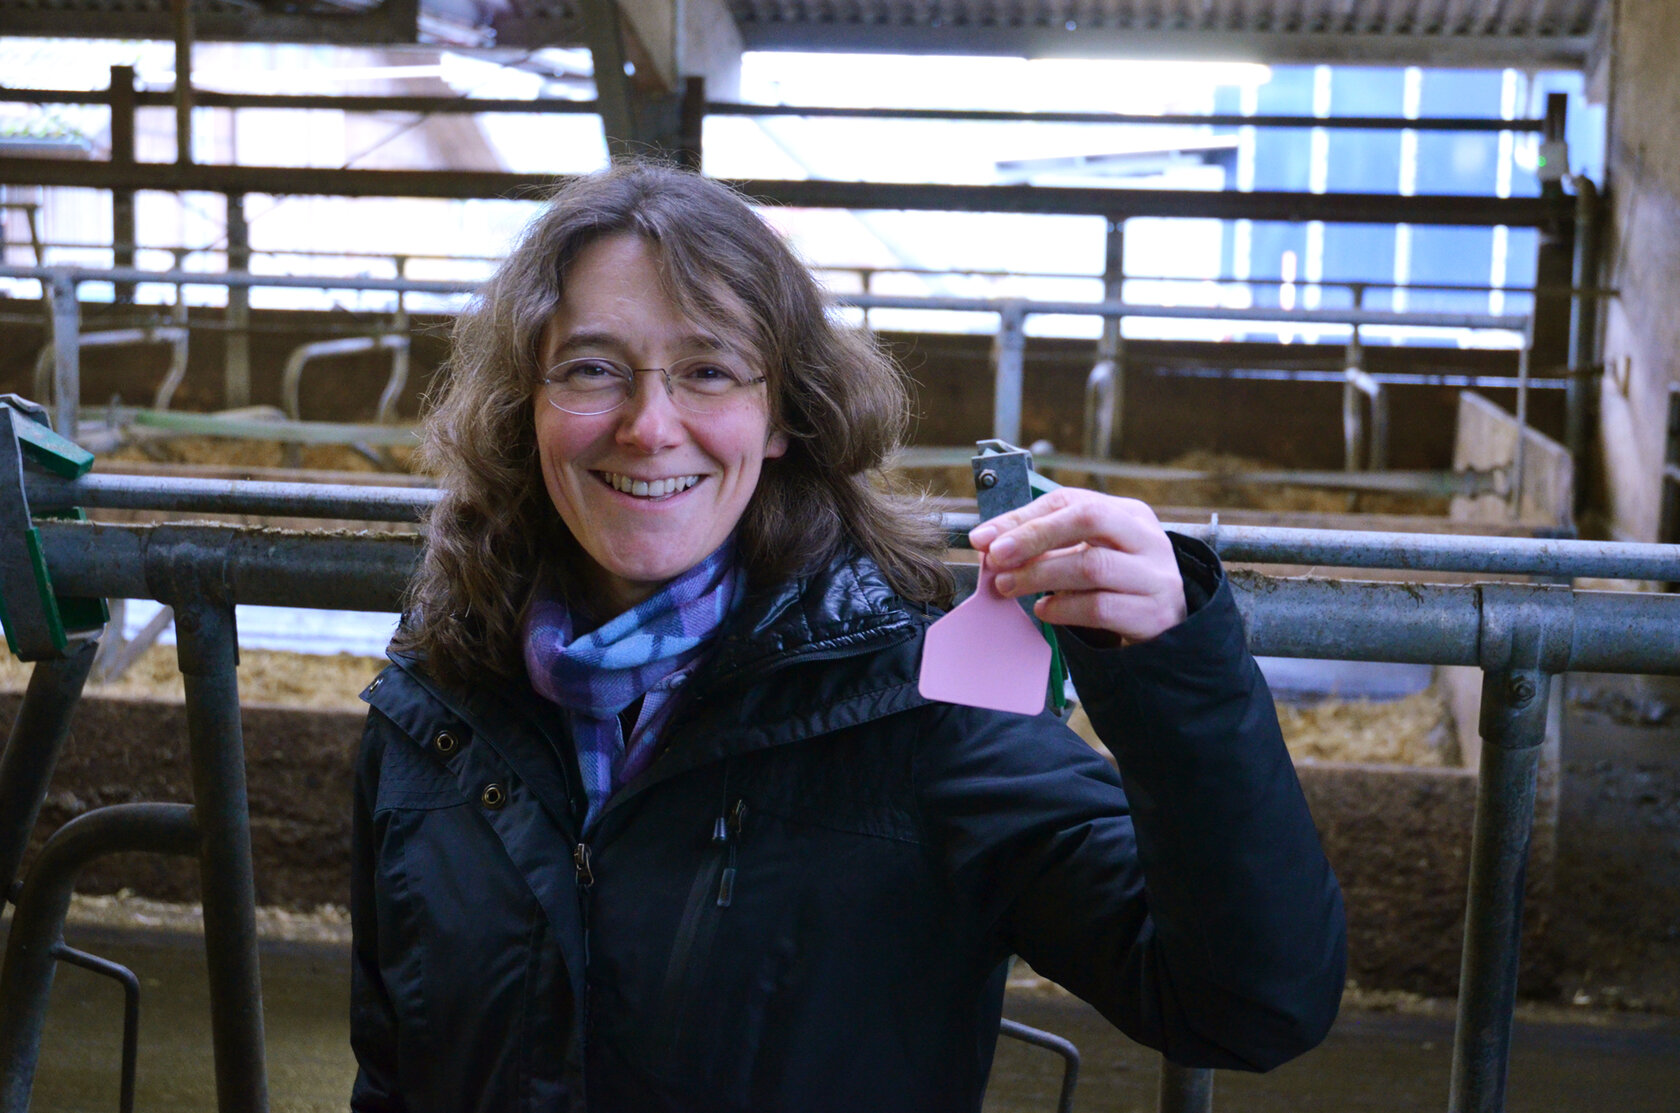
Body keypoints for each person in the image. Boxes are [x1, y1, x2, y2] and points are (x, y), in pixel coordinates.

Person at [349, 160, 1346, 1113]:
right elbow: (393, 1073)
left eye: (708, 369)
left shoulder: (915, 707)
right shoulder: (436, 705)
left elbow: (1250, 1002)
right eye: (592, 369)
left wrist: (1176, 672)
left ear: (783, 414)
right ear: (525, 407)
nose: (649, 426)